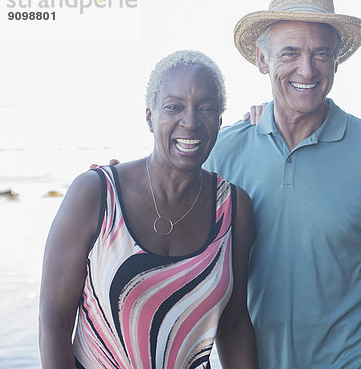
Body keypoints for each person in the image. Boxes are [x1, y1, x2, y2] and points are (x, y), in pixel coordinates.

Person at [204, 0, 361, 369]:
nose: (307, 68)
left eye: (321, 54)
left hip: (354, 359)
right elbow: (172, 231)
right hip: (251, 361)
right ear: (262, 60)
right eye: (290, 52)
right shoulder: (224, 152)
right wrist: (111, 189)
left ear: (337, 62)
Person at [39, 50, 258, 368]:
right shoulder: (96, 193)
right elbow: (54, 318)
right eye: (174, 107)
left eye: (206, 108)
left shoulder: (234, 208)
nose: (191, 121)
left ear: (220, 121)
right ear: (149, 116)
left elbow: (234, 322)